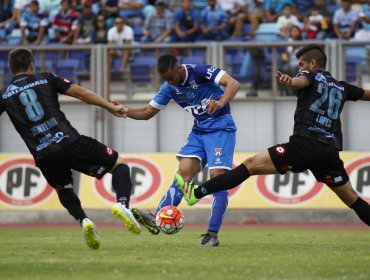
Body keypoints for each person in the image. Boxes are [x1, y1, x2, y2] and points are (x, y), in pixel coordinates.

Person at [175, 44, 370, 229]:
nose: (299, 69)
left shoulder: (309, 75)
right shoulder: (342, 87)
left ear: (312, 64)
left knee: (250, 165)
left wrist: (291, 82)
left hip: (304, 145)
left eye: (301, 65)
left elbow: (302, 80)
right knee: (353, 199)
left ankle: (196, 192)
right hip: (329, 151)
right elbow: (365, 94)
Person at [0, 48, 141, 250]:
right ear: (32, 64)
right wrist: (110, 107)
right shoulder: (46, 78)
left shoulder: (4, 93)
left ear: (11, 69)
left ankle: (84, 220)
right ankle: (122, 204)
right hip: (70, 142)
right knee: (119, 165)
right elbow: (82, 93)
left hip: (43, 154)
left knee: (63, 188)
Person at [120, 54, 240, 246]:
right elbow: (147, 113)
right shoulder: (170, 87)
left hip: (220, 129)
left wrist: (221, 102)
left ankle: (212, 234)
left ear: (180, 68)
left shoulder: (199, 71)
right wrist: (125, 111)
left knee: (218, 178)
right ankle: (158, 218)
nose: (169, 82)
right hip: (199, 132)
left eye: (171, 77)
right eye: (165, 79)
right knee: (182, 173)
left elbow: (233, 83)